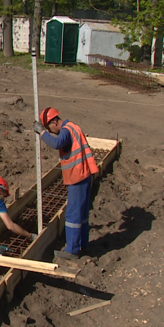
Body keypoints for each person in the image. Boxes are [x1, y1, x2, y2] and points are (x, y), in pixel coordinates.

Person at [33, 108, 99, 260]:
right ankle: (83, 244)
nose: (53, 132)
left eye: (50, 128)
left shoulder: (66, 130)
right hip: (84, 174)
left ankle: (72, 250)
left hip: (78, 176)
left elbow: (57, 143)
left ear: (54, 122)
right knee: (81, 213)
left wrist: (42, 132)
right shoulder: (73, 127)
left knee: (72, 214)